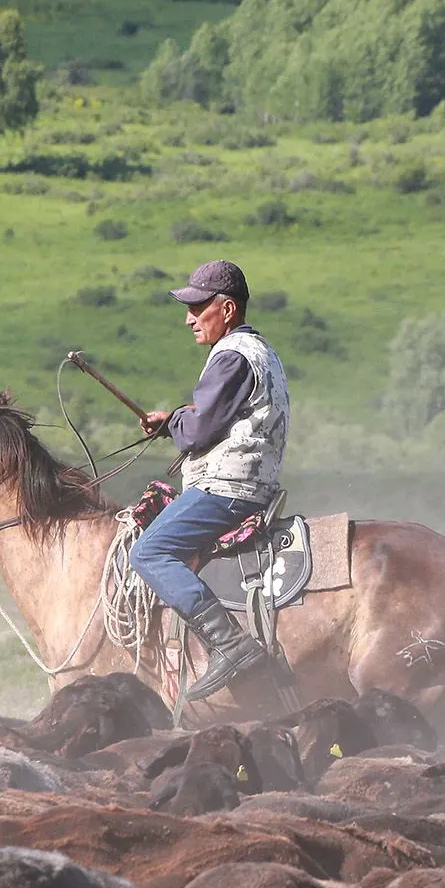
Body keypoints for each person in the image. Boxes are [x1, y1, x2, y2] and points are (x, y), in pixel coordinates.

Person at [129, 259, 290, 702]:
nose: (188, 319)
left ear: (228, 309)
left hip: (227, 487)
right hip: (254, 483)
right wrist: (175, 420)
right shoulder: (260, 351)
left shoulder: (231, 356)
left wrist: (178, 423)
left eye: (198, 308)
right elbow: (210, 418)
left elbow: (199, 431)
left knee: (150, 551)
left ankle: (232, 645)